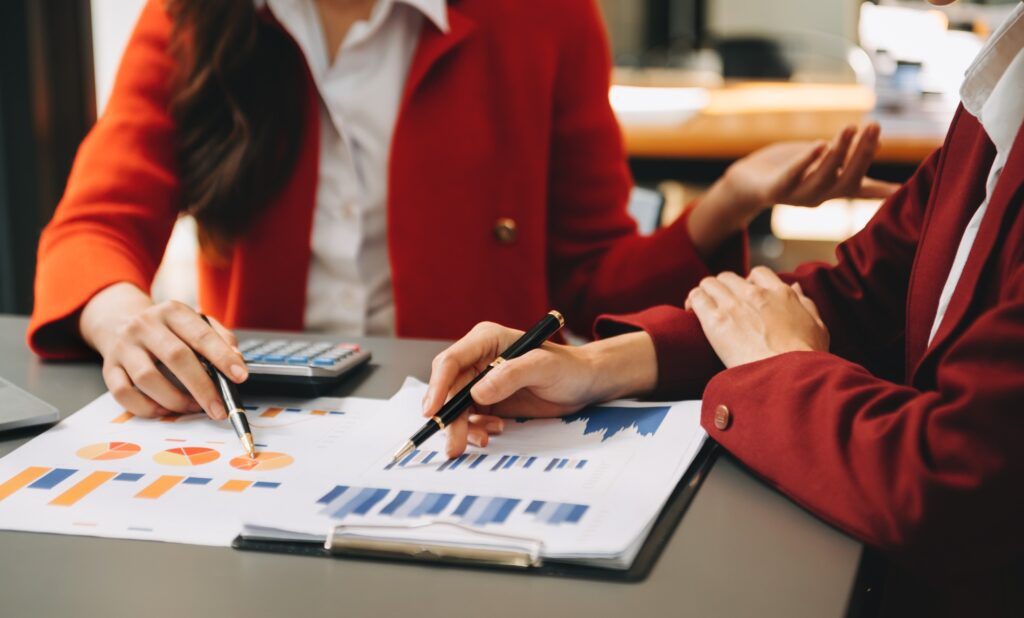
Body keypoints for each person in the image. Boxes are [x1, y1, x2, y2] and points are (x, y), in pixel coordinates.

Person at [422, 1, 1024, 614]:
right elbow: (860, 294)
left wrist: (784, 367)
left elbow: (962, 489)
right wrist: (597, 367)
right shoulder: (1002, 81)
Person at [28, 0, 888, 422]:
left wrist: (724, 204)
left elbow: (587, 278)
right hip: (271, 427)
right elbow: (95, 227)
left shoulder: (546, 17)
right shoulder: (192, 15)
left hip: (478, 427)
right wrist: (122, 318)